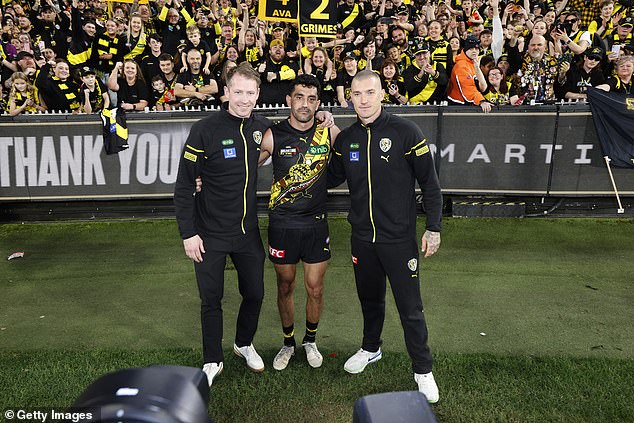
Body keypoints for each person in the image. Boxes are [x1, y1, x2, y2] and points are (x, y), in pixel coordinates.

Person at [327, 70, 442, 404]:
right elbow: (330, 178)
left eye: (369, 92)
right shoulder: (346, 138)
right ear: (350, 96)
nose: (363, 100)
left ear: (381, 94)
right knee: (370, 300)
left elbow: (431, 185)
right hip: (362, 239)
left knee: (410, 309)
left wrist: (433, 228)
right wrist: (321, 141)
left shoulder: (406, 131)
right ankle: (370, 348)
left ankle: (423, 370)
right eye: (357, 94)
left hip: (399, 239)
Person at [174, 61, 271, 387]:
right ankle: (212, 359)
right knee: (211, 299)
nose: (244, 99)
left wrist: (325, 119)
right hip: (209, 234)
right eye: (238, 92)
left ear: (258, 94)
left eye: (250, 92)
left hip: (248, 233)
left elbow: (295, 129)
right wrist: (188, 233)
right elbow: (185, 186)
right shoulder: (204, 129)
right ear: (226, 92)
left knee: (255, 293)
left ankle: (243, 344)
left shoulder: (261, 126)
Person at [257, 74, 340, 371]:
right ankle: (288, 343)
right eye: (300, 97)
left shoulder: (327, 132)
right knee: (285, 285)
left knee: (315, 288)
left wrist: (331, 122)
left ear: (318, 103)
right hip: (282, 223)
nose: (305, 104)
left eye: (312, 99)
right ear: (289, 100)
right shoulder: (273, 134)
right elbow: (240, 165)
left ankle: (310, 341)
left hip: (316, 224)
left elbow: (352, 160)